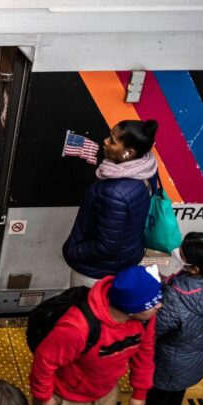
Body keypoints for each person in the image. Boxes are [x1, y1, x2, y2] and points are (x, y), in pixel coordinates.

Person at [30, 265, 162, 405]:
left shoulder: (145, 320)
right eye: (153, 303)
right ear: (132, 308)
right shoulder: (78, 327)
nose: (159, 306)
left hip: (105, 393)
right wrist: (43, 395)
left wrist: (140, 392)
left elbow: (145, 351)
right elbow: (45, 361)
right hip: (63, 397)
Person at [110, 232, 203, 405]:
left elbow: (154, 331)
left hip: (169, 364)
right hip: (197, 359)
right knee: (174, 398)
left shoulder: (176, 298)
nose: (178, 253)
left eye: (182, 254)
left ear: (195, 269)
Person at [63, 119, 159, 287]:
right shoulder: (146, 169)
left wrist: (72, 251)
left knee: (84, 310)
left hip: (96, 273)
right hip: (126, 260)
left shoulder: (113, 193)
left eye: (113, 141)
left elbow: (106, 246)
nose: (105, 141)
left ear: (128, 153)